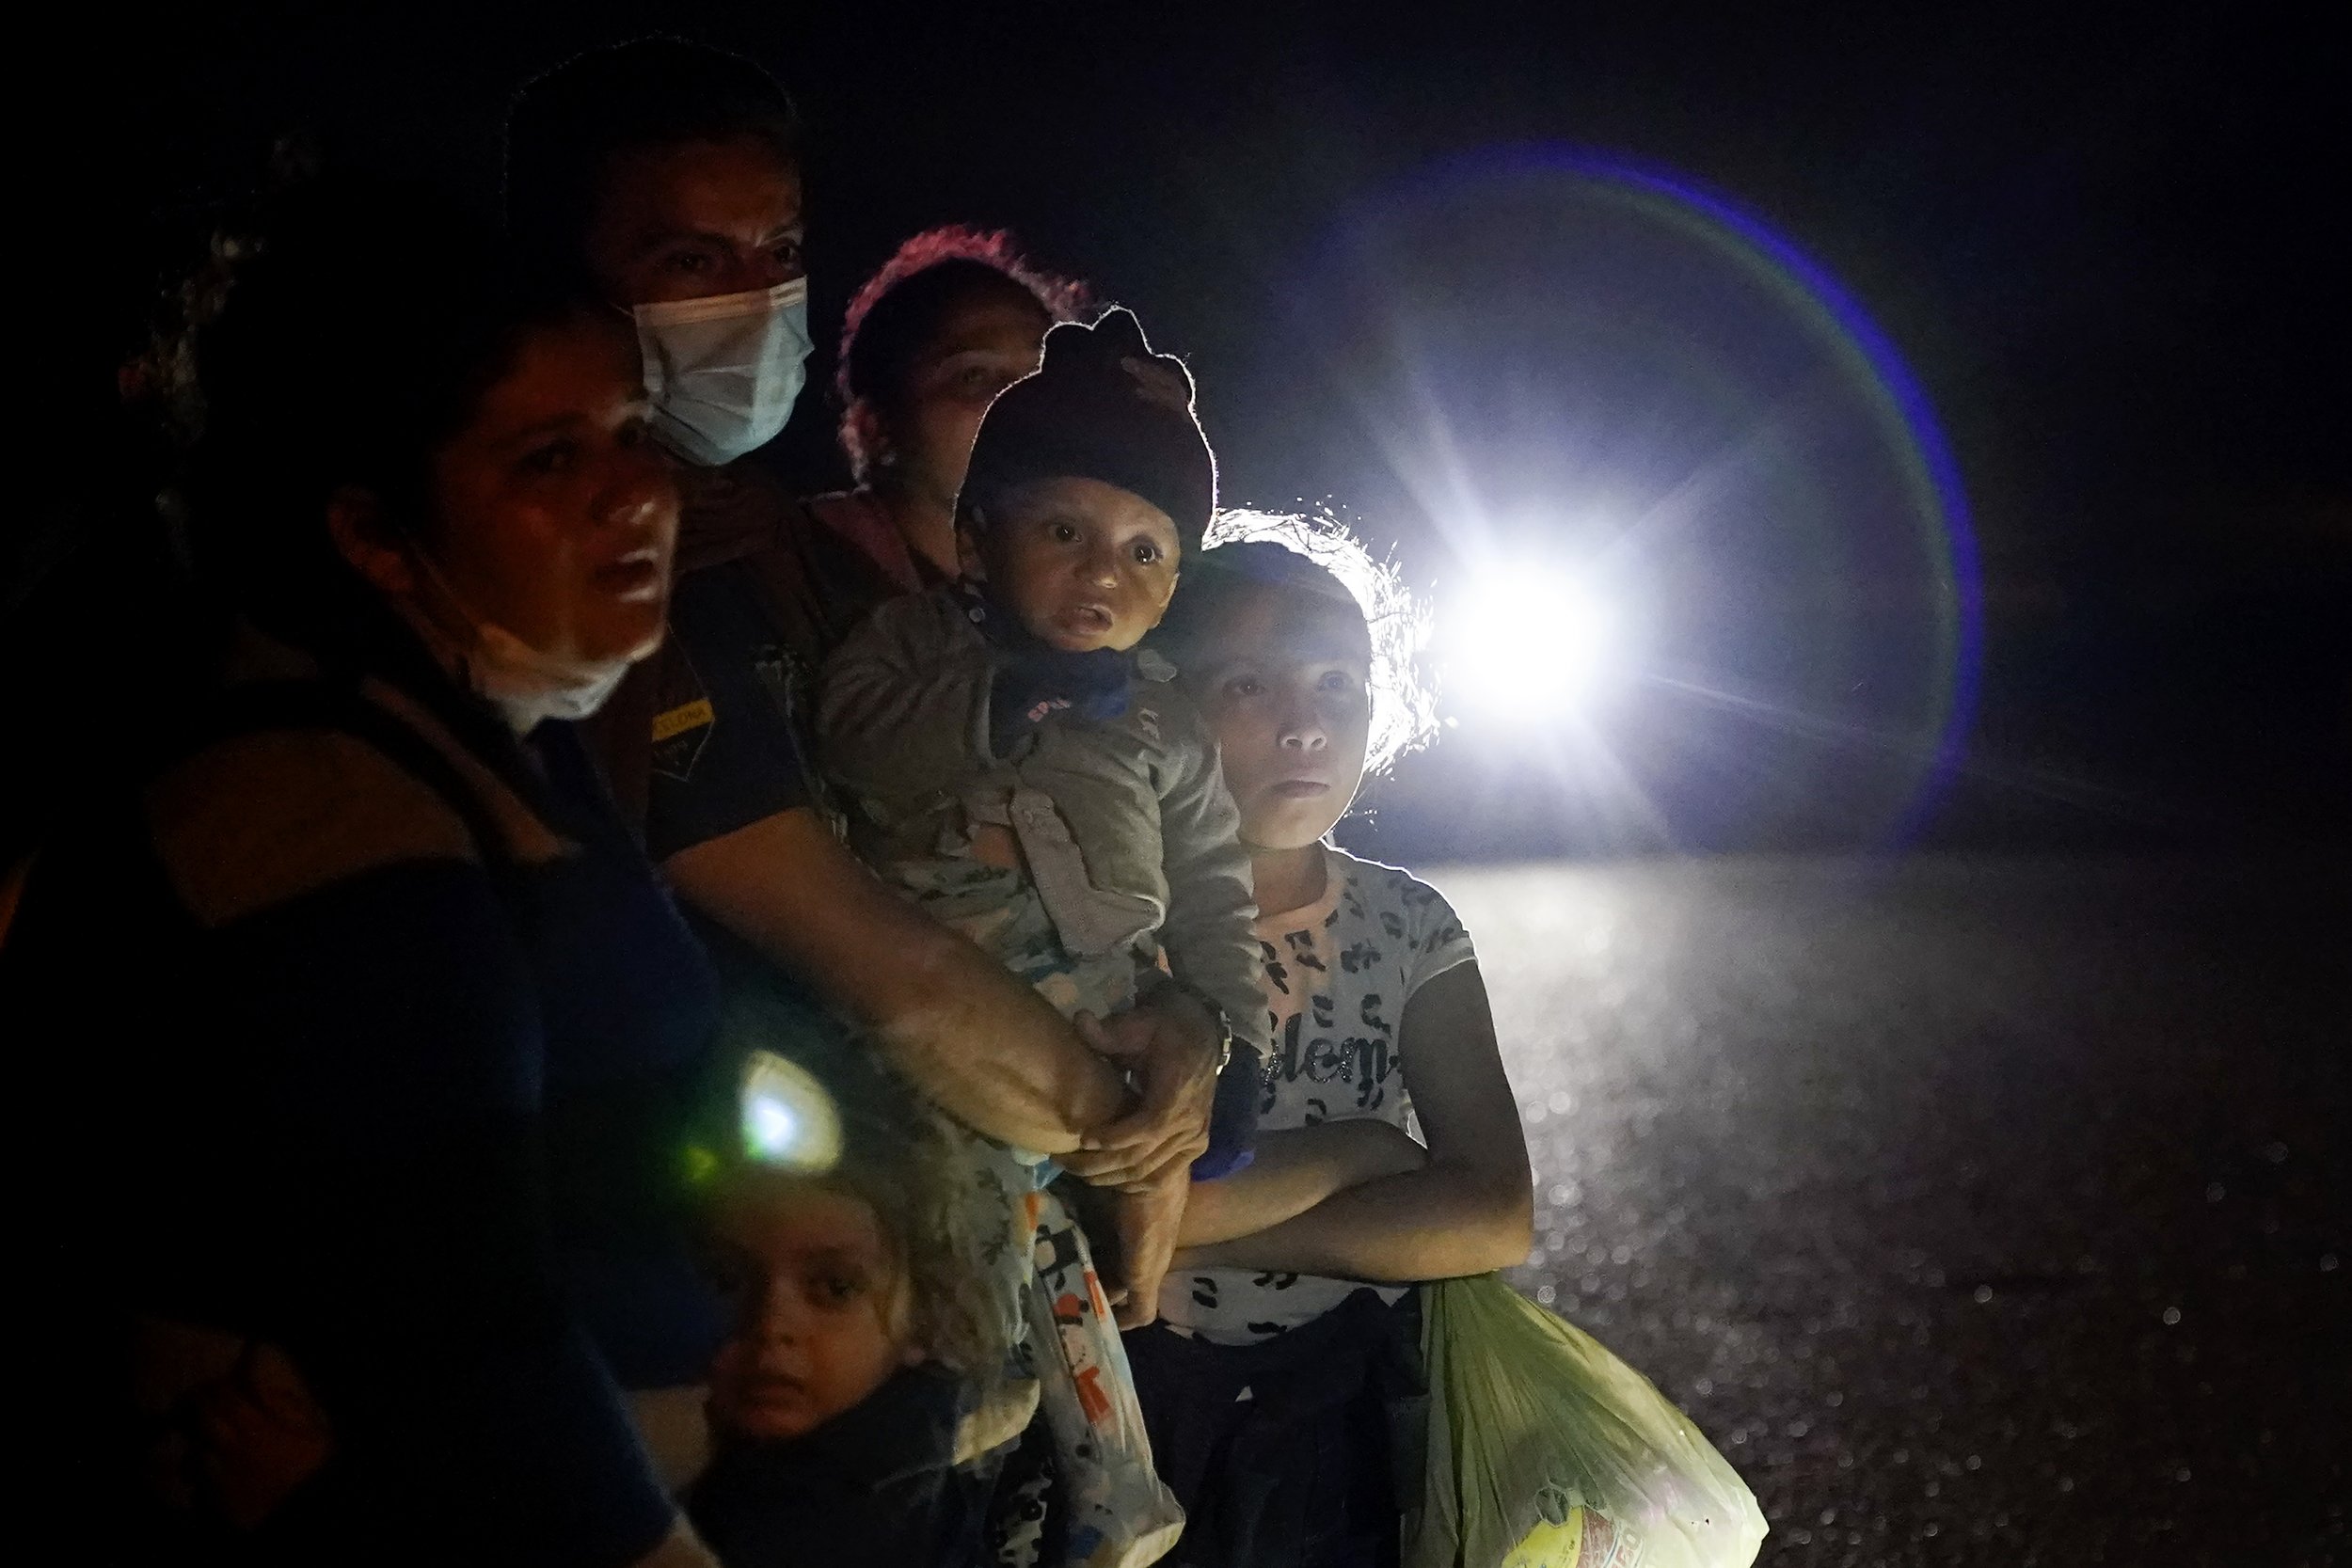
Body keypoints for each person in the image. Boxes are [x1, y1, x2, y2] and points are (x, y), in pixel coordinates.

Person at [3, 181, 726, 1564]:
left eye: (633, 432)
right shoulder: (313, 811)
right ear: (368, 528)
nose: (639, 489)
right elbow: (462, 1327)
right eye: (548, 460)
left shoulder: (493, 716)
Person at [502, 39, 1226, 1259]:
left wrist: (1194, 1027)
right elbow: (892, 970)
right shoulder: (636, 581)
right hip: (699, 1225)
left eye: (778, 254)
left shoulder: (788, 567)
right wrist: (1132, 1135)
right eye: (688, 258)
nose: (746, 295)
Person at [818, 307, 1271, 1324]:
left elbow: (1211, 891)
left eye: (1145, 552)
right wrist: (1004, 700)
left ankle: (1129, 1303)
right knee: (954, 1219)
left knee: (1152, 1158)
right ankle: (975, 1372)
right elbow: (851, 733)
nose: (1103, 571)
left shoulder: (1167, 720)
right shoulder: (914, 640)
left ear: (1169, 598)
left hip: (1112, 998)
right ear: (979, 541)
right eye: (1063, 531)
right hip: (956, 980)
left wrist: (1234, 1051)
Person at [1126, 514, 1536, 1568]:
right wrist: (1359, 1154)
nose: (1305, 726)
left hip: (1341, 1417)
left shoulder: (1411, 927)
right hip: (1131, 1408)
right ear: (1161, 700)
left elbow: (1491, 1210)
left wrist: (1201, 1231)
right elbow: (1121, 1200)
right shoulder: (1109, 918)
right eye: (1252, 686)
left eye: (1338, 684)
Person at [687, 1045, 1012, 1568]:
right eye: (726, 1280)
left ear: (923, 1316)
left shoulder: (858, 1527)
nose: (770, 1325)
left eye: (835, 1289)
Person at [819, 225, 1091, 597]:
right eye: (974, 376)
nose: (1026, 401)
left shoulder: (1084, 593)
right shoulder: (791, 576)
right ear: (876, 429)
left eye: (1042, 375)